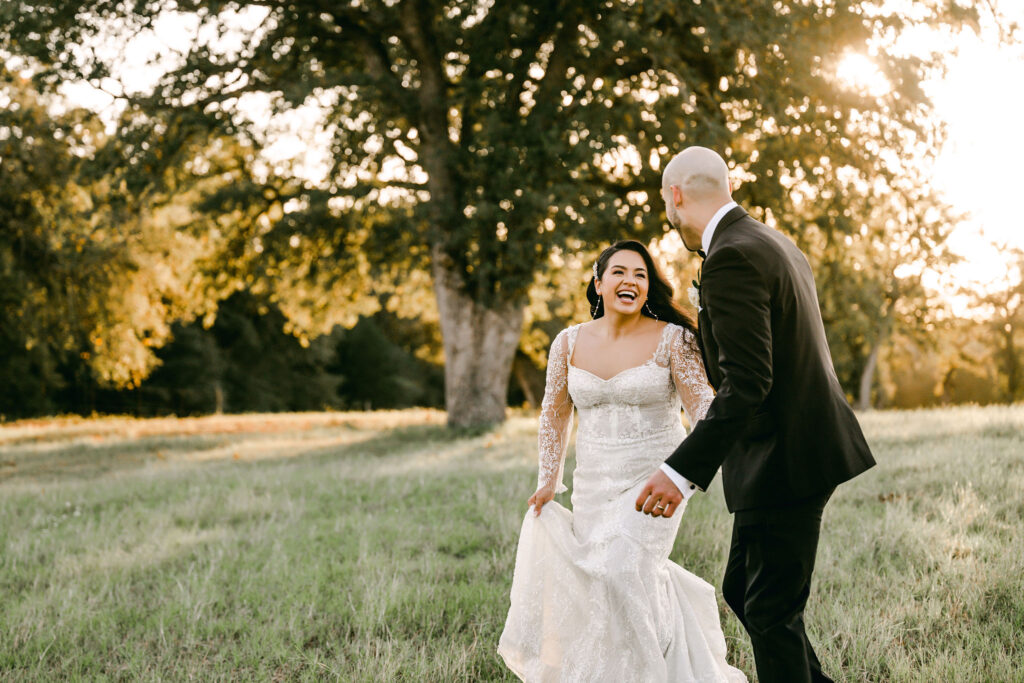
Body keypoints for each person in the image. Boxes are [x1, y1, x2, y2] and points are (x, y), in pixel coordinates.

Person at [635, 146, 877, 683]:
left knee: (769, 609)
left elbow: (748, 383)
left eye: (665, 205)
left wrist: (679, 472)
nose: (669, 218)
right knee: (744, 591)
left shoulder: (731, 256)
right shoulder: (770, 240)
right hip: (797, 449)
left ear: (675, 195)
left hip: (785, 457)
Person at [498, 240, 747, 682]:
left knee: (620, 569)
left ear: (649, 288)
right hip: (594, 484)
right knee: (605, 579)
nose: (630, 281)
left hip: (655, 480)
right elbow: (555, 415)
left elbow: (706, 412)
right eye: (619, 272)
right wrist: (548, 480)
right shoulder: (568, 342)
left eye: (640, 274)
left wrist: (688, 476)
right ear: (598, 284)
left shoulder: (675, 339)